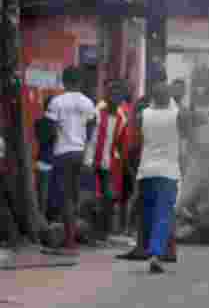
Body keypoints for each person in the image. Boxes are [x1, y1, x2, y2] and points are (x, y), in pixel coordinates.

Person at [134, 80, 184, 274]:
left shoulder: (142, 115)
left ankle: (149, 248)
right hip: (168, 172)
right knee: (163, 215)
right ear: (169, 97)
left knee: (148, 214)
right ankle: (155, 253)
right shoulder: (178, 115)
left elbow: (137, 131)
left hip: (146, 171)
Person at [47, 66, 98, 250]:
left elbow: (51, 130)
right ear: (80, 81)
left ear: (64, 81)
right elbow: (91, 131)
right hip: (80, 153)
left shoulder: (56, 102)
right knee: (75, 196)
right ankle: (73, 235)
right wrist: (87, 156)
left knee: (65, 197)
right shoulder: (88, 103)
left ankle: (69, 241)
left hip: (63, 153)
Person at [91, 79, 129, 241]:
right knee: (91, 196)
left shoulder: (122, 117)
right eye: (112, 93)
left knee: (108, 197)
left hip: (107, 162)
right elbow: (89, 136)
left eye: (119, 94)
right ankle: (91, 231)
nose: (115, 96)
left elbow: (119, 142)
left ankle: (102, 233)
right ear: (106, 94)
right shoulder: (96, 110)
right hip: (90, 160)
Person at [34, 95, 58, 220]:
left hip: (42, 162)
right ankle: (45, 220)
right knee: (48, 196)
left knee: (41, 195)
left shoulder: (38, 122)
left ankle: (42, 219)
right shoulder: (55, 124)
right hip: (50, 162)